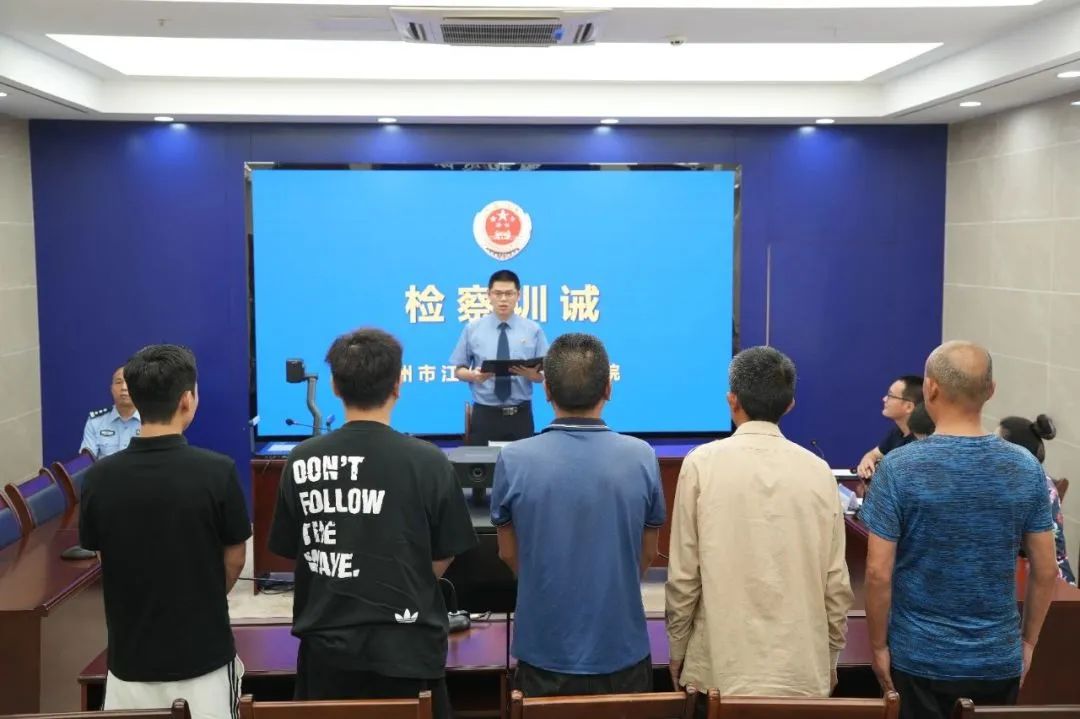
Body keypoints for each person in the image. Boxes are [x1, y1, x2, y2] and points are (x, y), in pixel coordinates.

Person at [270, 328, 478, 719]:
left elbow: (293, 549)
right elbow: (443, 555)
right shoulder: (429, 461)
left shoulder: (301, 460)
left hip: (327, 652)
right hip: (410, 650)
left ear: (334, 386)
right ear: (398, 385)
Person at [860, 341, 1059, 719]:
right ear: (991, 390)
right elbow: (1046, 569)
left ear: (930, 389)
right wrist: (1029, 642)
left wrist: (878, 646)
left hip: (917, 657)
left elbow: (877, 572)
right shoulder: (1025, 467)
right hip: (998, 658)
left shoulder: (899, 467)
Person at [666, 346, 853, 701]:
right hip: (801, 672)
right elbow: (836, 582)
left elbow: (684, 576)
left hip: (719, 672)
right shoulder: (818, 472)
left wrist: (677, 648)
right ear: (789, 405)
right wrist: (830, 656)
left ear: (732, 400)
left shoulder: (701, 464)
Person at [79, 345, 250, 719]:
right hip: (204, 658)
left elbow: (103, 556)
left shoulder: (97, 479)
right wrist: (203, 596)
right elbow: (236, 557)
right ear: (187, 400)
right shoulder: (218, 471)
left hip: (129, 662)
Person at [491, 333, 664, 697]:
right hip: (622, 649)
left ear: (546, 390)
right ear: (608, 388)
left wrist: (546, 585)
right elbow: (648, 553)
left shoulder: (514, 459)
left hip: (543, 651)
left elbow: (507, 552)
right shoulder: (642, 456)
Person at [450, 270, 548, 445]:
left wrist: (533, 376)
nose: (503, 299)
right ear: (489, 295)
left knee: (522, 462)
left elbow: (545, 374)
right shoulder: (473, 329)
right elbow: (458, 370)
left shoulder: (533, 330)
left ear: (518, 295)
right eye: (498, 293)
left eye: (509, 293)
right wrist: (473, 376)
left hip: (520, 415)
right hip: (485, 414)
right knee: (483, 462)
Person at [998, 414, 1076, 585]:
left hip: (1050, 582)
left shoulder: (1032, 487)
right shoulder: (1017, 478)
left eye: (996, 444)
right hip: (1023, 571)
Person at [857, 375, 924, 478]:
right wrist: (868, 460)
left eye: (890, 396)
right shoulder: (897, 432)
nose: (884, 399)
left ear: (909, 407)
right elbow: (874, 454)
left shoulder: (919, 444)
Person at [80, 366, 141, 457]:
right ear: (112, 389)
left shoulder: (152, 421)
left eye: (129, 382)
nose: (124, 387)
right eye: (119, 382)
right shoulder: (96, 422)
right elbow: (86, 461)